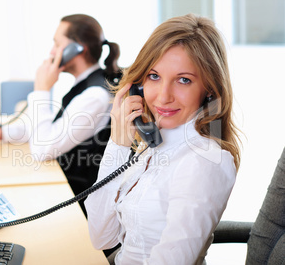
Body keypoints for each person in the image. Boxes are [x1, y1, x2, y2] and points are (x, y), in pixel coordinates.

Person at [84, 14, 242, 264]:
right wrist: (117, 144)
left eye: (184, 80)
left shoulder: (205, 161)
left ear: (209, 87)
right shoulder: (152, 144)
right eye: (154, 76)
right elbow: (101, 238)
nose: (163, 96)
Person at [0, 14, 121, 216]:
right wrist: (3, 133)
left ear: (77, 48)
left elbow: (42, 149)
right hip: (64, 185)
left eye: (57, 44)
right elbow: (54, 128)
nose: (51, 51)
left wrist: (41, 89)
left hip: (76, 200)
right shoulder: (87, 84)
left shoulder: (94, 96)